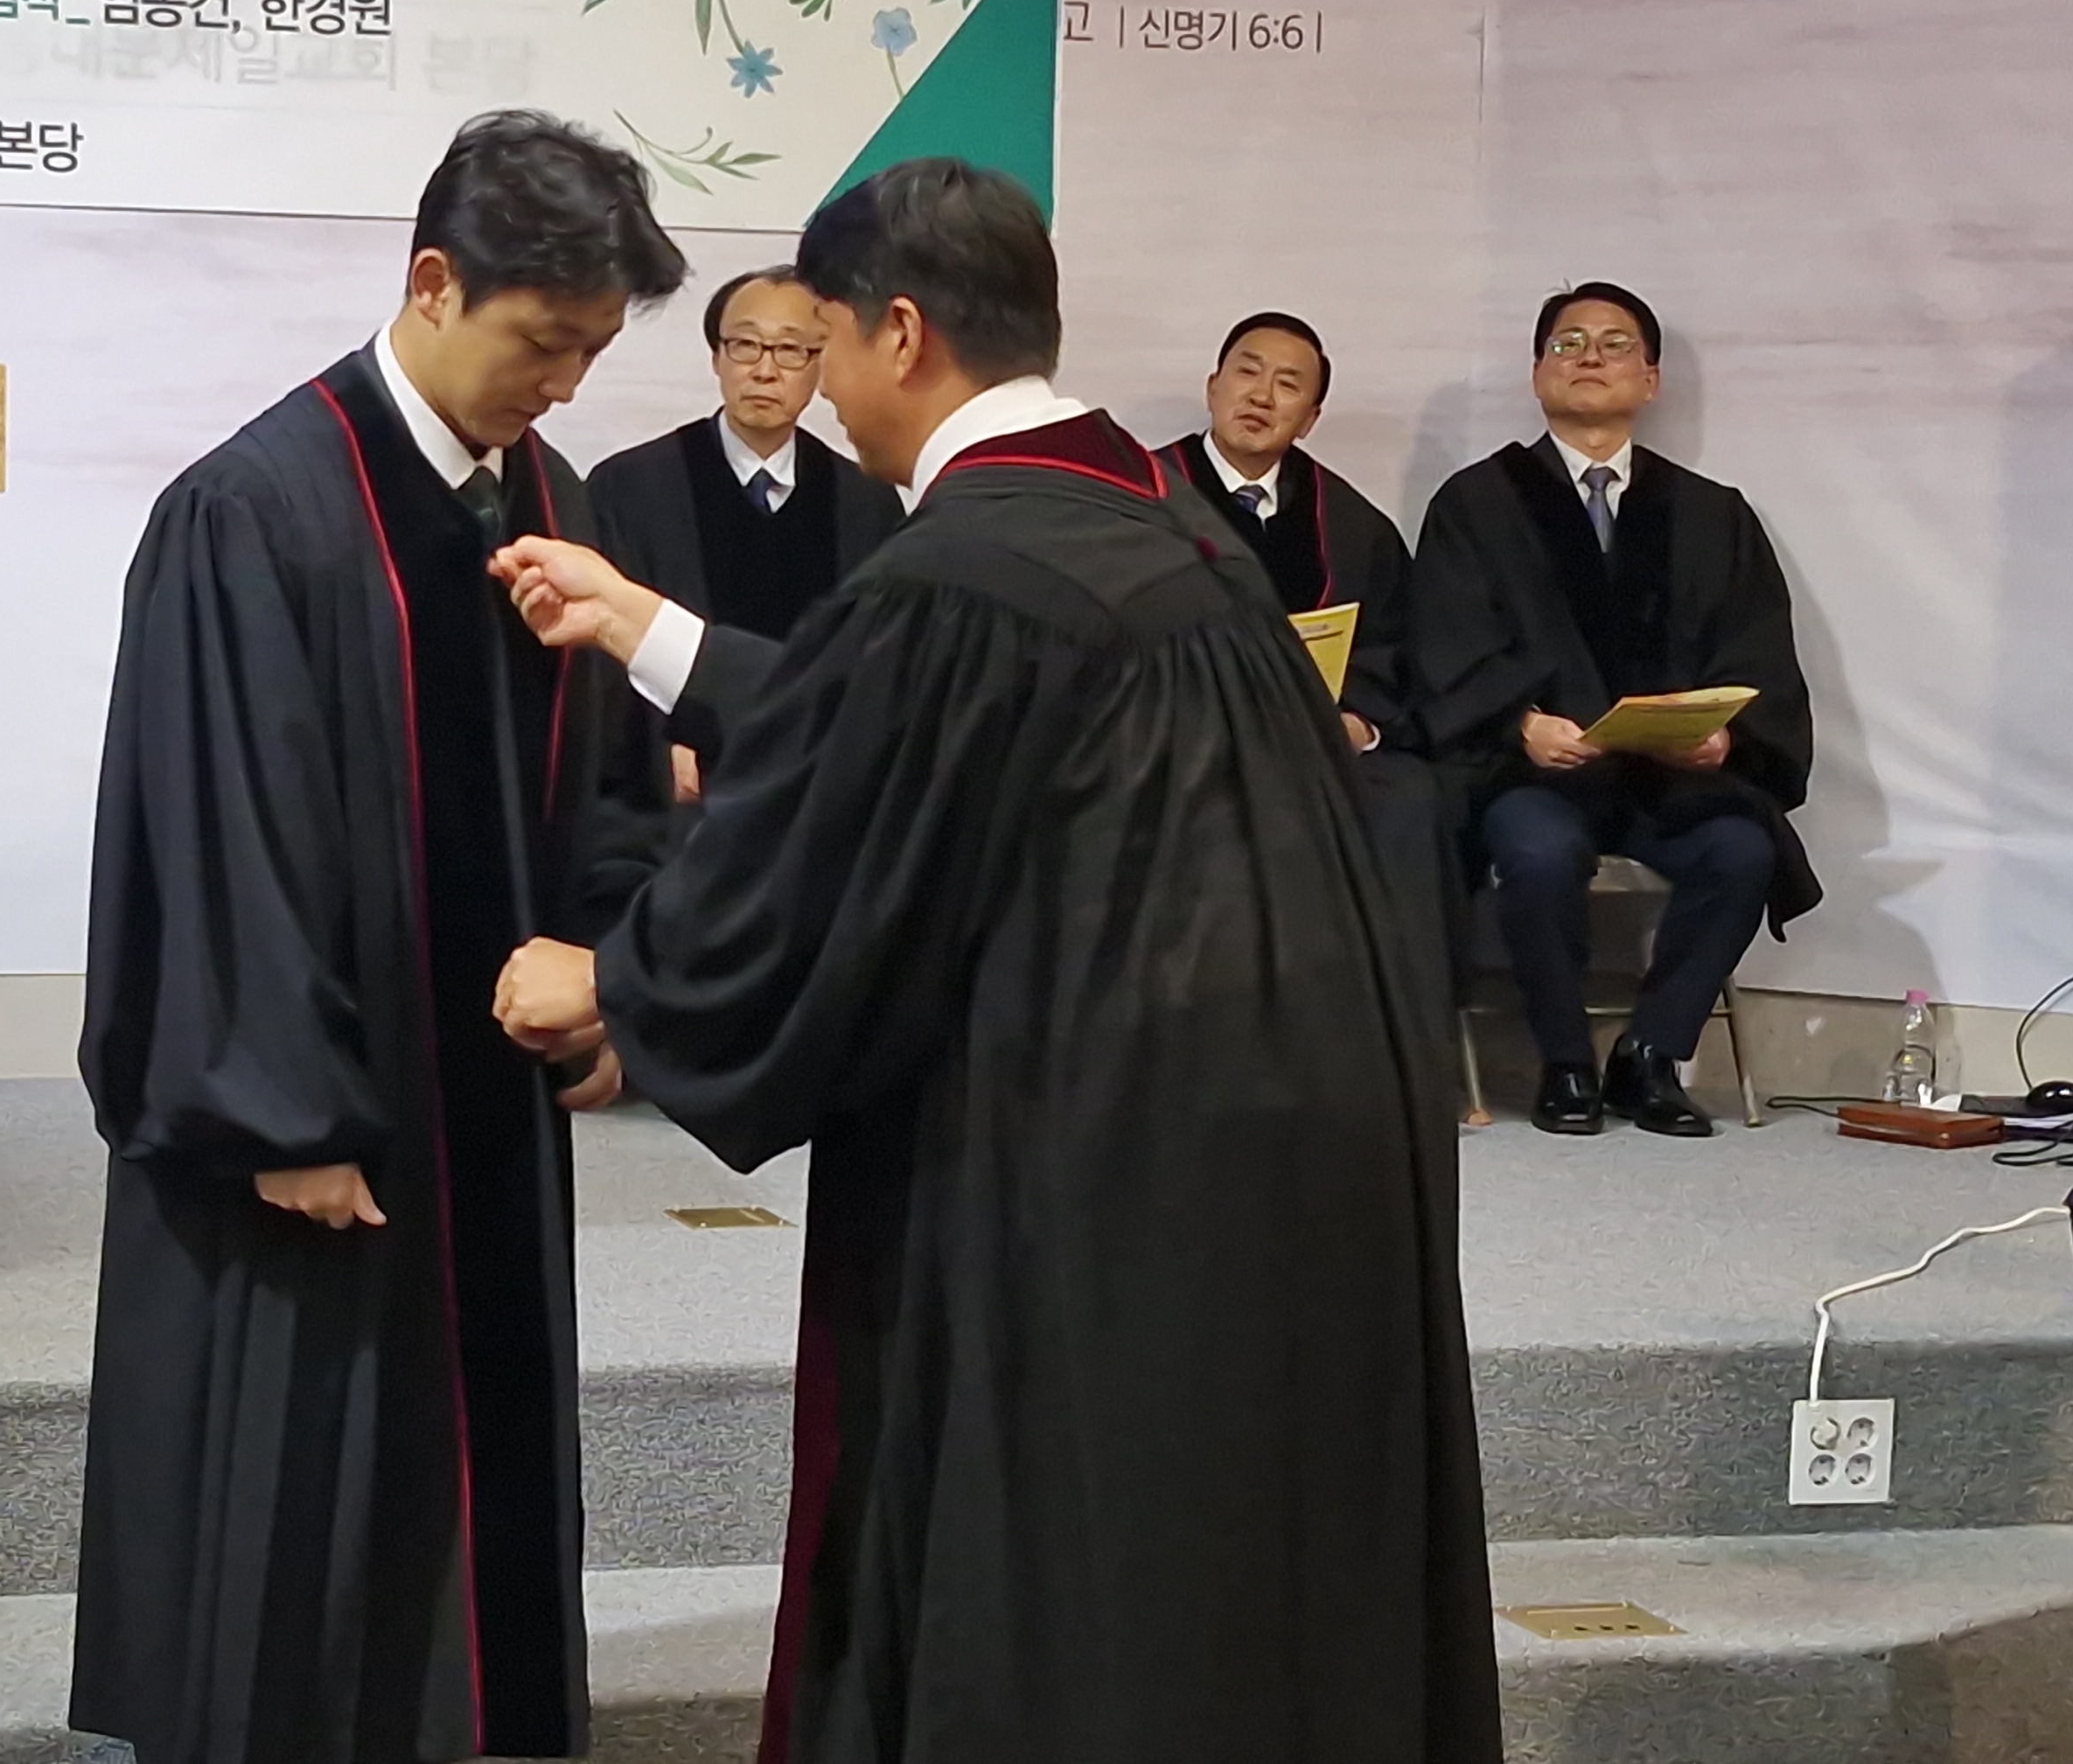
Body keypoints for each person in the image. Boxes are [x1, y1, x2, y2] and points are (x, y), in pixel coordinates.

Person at [485, 161, 1498, 1764]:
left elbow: (854, 813)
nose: (824, 385)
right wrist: (641, 627)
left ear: (898, 332)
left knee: (1076, 1575)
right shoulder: (1158, 528)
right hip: (1293, 1137)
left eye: (826, 340)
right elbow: (901, 731)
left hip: (1103, 1160)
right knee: (1252, 1563)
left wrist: (623, 980)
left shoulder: (968, 566)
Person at [68, 111, 685, 1763]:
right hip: (312, 1128)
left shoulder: (542, 502)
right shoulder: (259, 509)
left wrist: (611, 981)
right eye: (542, 340)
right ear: (432, 282)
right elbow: (216, 830)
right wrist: (283, 1113)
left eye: (592, 350)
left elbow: (611, 780)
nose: (564, 384)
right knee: (301, 1484)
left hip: (484, 1105)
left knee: (470, 1478)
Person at [1406, 282, 1817, 1139]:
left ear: (1651, 380)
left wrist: (1720, 739)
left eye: (1615, 343)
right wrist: (1520, 723)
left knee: (1741, 849)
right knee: (1537, 852)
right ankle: (1565, 1062)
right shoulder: (1476, 503)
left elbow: (1755, 651)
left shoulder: (1711, 513)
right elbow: (1444, 640)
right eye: (1568, 342)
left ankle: (1650, 1055)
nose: (1589, 356)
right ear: (1536, 373)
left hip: (1668, 779)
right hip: (1536, 773)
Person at [1162, 310, 1461, 1057]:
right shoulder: (1138, 498)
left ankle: (1403, 1059)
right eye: (1247, 371)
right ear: (1213, 385)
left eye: (1288, 384)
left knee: (1410, 799)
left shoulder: (1353, 525)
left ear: (1311, 417)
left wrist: (1358, 722)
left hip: (1316, 752)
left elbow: (1393, 650)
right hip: (1177, 749)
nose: (1261, 395)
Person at [586, 265, 901, 814]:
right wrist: (661, 743)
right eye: (745, 345)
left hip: (815, 793)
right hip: (674, 802)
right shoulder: (629, 488)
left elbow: (877, 660)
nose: (765, 370)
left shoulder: (866, 501)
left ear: (821, 364)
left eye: (791, 350)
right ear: (717, 358)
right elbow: (600, 646)